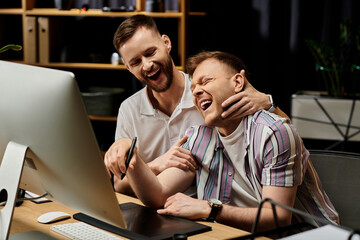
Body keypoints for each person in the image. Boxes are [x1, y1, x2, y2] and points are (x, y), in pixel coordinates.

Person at [111, 51, 339, 232]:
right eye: (193, 88)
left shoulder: (273, 131)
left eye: (206, 81)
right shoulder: (199, 137)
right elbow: (157, 195)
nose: (197, 91)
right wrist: (130, 154)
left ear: (238, 82)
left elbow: (276, 218)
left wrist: (208, 209)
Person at [105, 15, 286, 195]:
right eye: (136, 62)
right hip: (159, 207)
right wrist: (156, 165)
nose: (146, 65)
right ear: (128, 68)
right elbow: (120, 185)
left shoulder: (208, 94)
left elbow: (284, 140)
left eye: (150, 52)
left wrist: (268, 103)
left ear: (166, 43)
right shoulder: (128, 109)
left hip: (206, 207)